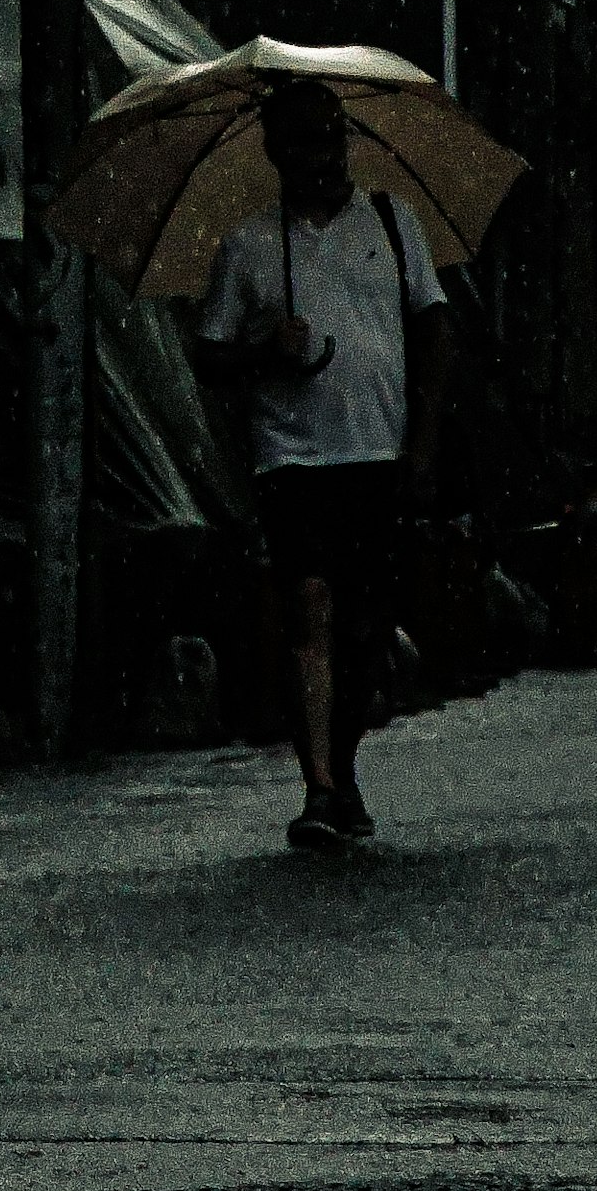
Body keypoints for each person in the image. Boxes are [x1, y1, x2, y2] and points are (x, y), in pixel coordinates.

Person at [192, 80, 449, 854]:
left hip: (377, 453)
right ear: (276, 151)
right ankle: (320, 788)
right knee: (309, 610)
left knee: (365, 628)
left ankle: (342, 765)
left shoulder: (392, 223)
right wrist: (262, 350)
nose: (326, 157)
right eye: (307, 141)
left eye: (335, 138)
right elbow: (207, 354)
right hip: (293, 459)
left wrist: (425, 442)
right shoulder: (249, 246)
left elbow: (434, 329)